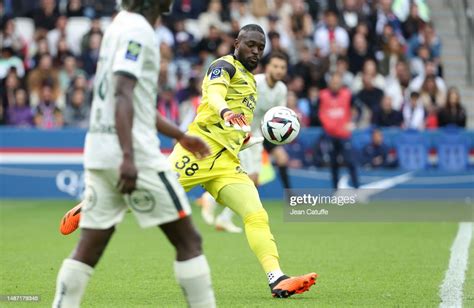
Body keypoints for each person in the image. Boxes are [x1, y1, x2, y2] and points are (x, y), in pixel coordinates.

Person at [58, 24, 317, 299]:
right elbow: (215, 95)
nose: (255, 51)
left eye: (260, 48)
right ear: (237, 43)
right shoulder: (223, 66)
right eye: (251, 44)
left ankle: (276, 278)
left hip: (227, 163)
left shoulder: (252, 82)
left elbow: (234, 125)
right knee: (147, 196)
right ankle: (90, 206)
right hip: (198, 151)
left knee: (256, 214)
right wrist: (226, 110)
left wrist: (243, 138)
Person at [52, 1, 216, 307]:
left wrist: (180, 135)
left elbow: (134, 101)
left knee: (89, 249)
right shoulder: (139, 30)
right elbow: (123, 92)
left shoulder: (119, 24)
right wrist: (128, 156)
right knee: (189, 241)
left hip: (100, 151)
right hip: (134, 155)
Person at [200, 52, 290, 233]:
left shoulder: (281, 90)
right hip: (239, 131)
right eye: (275, 66)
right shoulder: (255, 81)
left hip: (256, 134)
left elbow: (277, 116)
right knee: (247, 178)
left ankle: (222, 217)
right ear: (268, 67)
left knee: (253, 182)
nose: (278, 70)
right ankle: (209, 200)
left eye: (282, 67)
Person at [318, 73, 359, 190]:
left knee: (351, 162)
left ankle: (357, 189)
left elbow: (358, 109)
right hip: (330, 135)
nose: (335, 84)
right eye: (333, 82)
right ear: (329, 83)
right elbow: (318, 112)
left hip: (344, 135)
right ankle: (335, 190)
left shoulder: (348, 94)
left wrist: (353, 122)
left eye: (337, 82)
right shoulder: (323, 95)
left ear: (341, 83)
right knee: (333, 164)